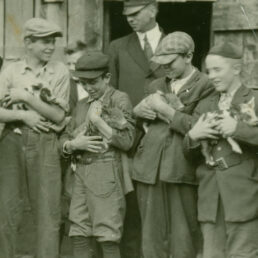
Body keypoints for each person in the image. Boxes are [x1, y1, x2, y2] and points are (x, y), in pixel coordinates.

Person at [132, 31, 214, 258]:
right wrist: (136, 113)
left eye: (170, 62)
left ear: (188, 56)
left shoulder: (206, 85)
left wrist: (165, 110)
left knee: (183, 239)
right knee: (151, 240)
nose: (165, 68)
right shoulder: (156, 84)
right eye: (161, 63)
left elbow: (199, 127)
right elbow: (139, 126)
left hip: (181, 169)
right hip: (148, 169)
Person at [0, 18, 70, 258]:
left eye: (52, 42)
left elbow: (59, 116)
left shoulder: (59, 71)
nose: (50, 47)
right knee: (7, 210)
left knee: (48, 210)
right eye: (44, 42)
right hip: (12, 140)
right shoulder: (10, 71)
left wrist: (28, 98)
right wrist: (24, 115)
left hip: (45, 141)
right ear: (28, 43)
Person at [184, 42, 258, 258]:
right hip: (211, 198)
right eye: (208, 71)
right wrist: (192, 137)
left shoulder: (254, 99)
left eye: (217, 69)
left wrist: (238, 129)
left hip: (244, 196)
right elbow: (188, 153)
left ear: (236, 69)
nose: (212, 76)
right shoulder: (206, 104)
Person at [59, 51, 135, 258]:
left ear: (107, 78)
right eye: (83, 83)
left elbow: (128, 141)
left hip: (106, 169)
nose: (88, 87)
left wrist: (98, 122)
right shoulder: (82, 104)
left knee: (107, 232)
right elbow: (63, 138)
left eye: (93, 82)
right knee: (78, 230)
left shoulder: (120, 99)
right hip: (80, 171)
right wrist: (73, 144)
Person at [108, 1, 165, 257]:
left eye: (136, 13)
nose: (130, 19)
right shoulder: (117, 47)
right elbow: (110, 97)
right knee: (131, 206)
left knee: (161, 207)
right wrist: (131, 117)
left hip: (165, 136)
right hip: (130, 138)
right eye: (127, 15)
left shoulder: (175, 43)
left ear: (153, 9)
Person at [64, 40, 88, 114]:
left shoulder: (98, 84)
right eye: (68, 64)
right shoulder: (66, 85)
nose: (71, 68)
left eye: (75, 63)